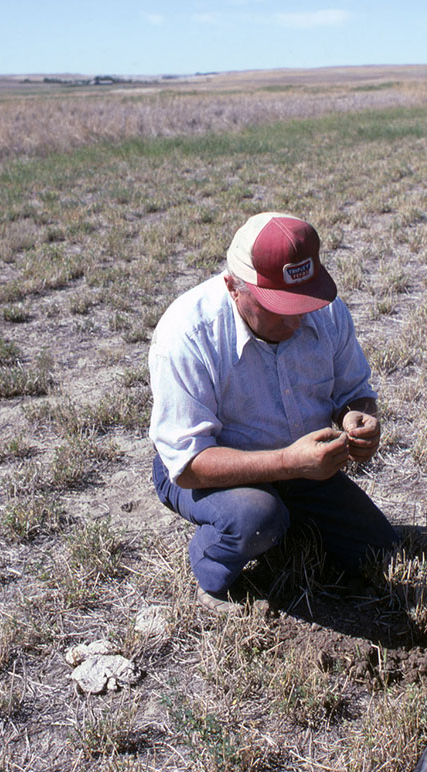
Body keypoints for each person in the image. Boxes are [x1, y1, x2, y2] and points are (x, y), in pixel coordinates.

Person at [148, 211, 398, 612]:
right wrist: (288, 462)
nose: (298, 318)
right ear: (233, 286)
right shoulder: (187, 334)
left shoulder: (326, 311)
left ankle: (286, 522)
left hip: (301, 465)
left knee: (380, 552)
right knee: (255, 517)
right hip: (206, 471)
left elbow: (353, 391)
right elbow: (189, 463)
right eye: (278, 306)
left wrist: (357, 415)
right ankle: (213, 569)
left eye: (303, 301)